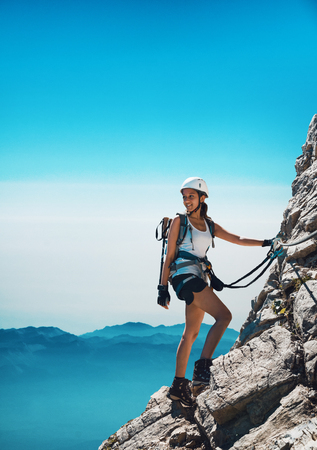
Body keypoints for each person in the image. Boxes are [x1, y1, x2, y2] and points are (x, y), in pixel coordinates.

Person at [157, 177, 273, 406]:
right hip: (186, 278)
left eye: (190, 196)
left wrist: (267, 243)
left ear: (202, 198)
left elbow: (237, 239)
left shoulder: (210, 226)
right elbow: (169, 256)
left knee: (190, 333)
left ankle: (178, 387)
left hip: (198, 278)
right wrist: (162, 288)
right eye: (184, 197)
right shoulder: (179, 222)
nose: (186, 201)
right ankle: (202, 370)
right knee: (224, 316)